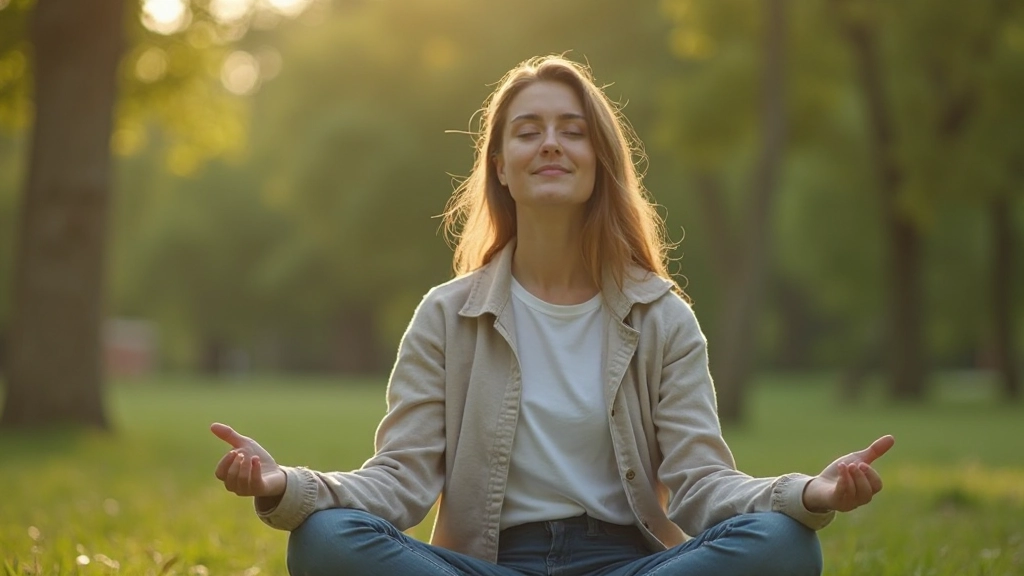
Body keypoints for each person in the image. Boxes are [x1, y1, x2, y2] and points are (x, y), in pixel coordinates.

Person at [211, 55, 895, 576]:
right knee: (326, 540)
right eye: (528, 131)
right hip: (489, 564)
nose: (550, 144)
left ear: (598, 161)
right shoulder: (447, 316)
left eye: (572, 131)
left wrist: (810, 492)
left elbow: (702, 485)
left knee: (783, 544)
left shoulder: (662, 317)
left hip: (630, 564)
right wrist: (285, 485)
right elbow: (398, 483)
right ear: (501, 166)